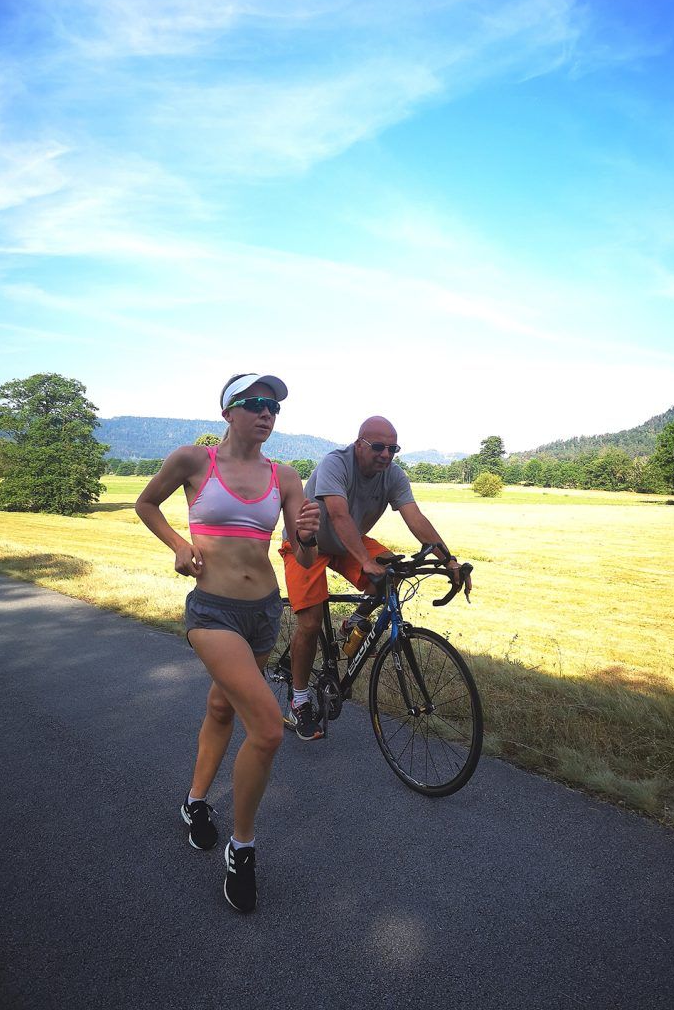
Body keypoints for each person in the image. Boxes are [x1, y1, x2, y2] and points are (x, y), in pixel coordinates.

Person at [135, 373, 320, 913]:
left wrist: (307, 536)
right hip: (211, 611)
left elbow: (302, 557)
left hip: (263, 612)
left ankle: (195, 802)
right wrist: (177, 543)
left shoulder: (285, 476)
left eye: (274, 409)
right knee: (265, 727)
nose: (267, 414)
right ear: (228, 412)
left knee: (221, 705)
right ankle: (243, 847)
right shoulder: (195, 461)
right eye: (256, 404)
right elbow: (147, 504)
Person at [279, 416, 471, 740]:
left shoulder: (393, 475)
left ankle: (352, 623)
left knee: (393, 571)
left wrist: (448, 559)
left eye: (392, 448)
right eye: (378, 446)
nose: (385, 454)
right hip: (306, 543)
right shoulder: (335, 464)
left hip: (347, 541)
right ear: (359, 444)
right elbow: (338, 515)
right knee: (310, 623)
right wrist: (365, 561)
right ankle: (299, 701)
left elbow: (415, 517)